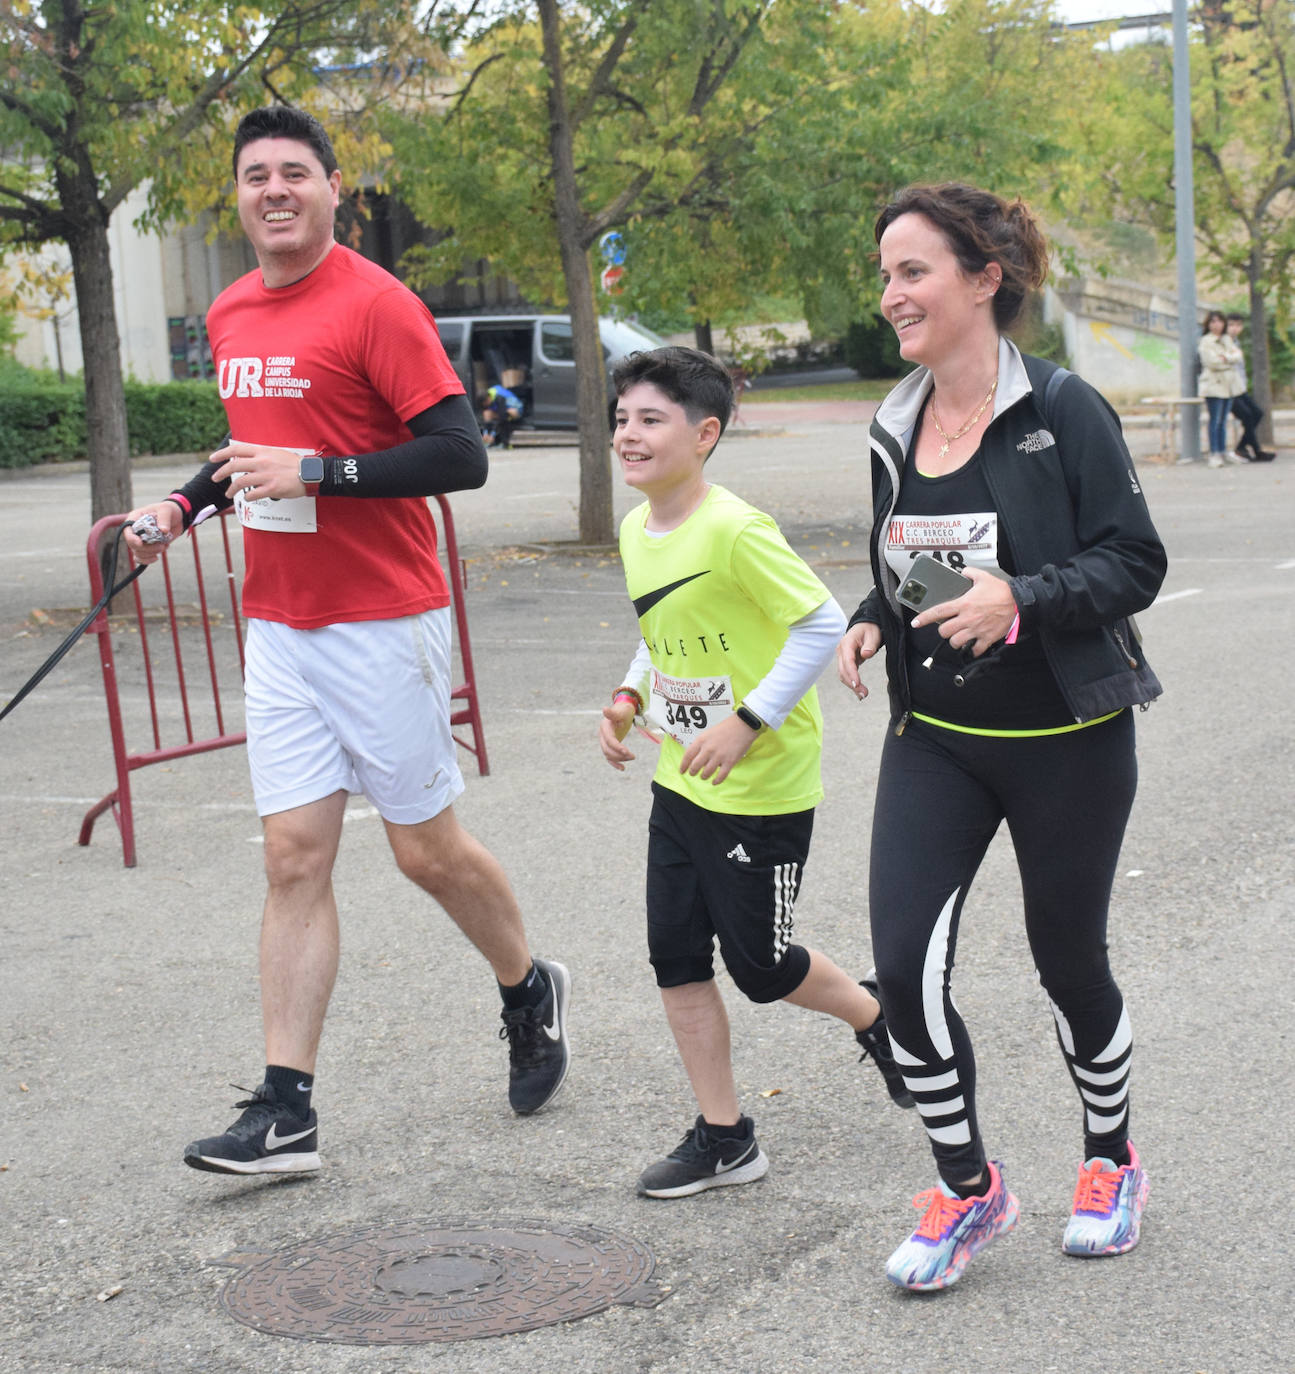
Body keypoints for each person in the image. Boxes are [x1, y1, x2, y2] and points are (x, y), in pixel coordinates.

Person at [123, 106, 571, 1176]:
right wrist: (180, 511)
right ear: (236, 196)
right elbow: (252, 456)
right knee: (292, 855)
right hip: (278, 624)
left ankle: (527, 985)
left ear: (332, 188)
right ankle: (287, 1110)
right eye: (253, 176)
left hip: (382, 619)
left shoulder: (378, 305)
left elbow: (461, 455)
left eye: (293, 173)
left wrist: (324, 475)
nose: (272, 190)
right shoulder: (231, 313)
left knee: (423, 852)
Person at [835, 183, 1166, 1291]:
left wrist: (1019, 597)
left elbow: (1132, 562)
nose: (890, 295)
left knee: (1067, 962)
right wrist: (874, 617)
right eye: (884, 274)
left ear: (983, 278)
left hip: (1064, 734)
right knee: (903, 972)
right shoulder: (890, 424)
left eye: (912, 271)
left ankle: (1110, 1162)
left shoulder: (1063, 410)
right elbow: (910, 563)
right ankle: (968, 1189)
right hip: (934, 737)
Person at [598, 345, 913, 1201]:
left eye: (649, 419)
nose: (628, 434)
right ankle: (726, 1136)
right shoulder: (638, 528)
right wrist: (630, 693)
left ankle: (880, 1018)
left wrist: (745, 722)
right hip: (682, 779)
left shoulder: (734, 527)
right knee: (675, 958)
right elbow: (664, 625)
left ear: (704, 434)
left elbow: (815, 625)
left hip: (760, 789)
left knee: (764, 970)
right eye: (622, 418)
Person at [1197, 310, 1247, 467]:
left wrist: (1226, 358)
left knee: (1224, 421)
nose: (1216, 324)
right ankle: (1214, 453)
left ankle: (1223, 451)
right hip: (1214, 386)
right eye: (1212, 321)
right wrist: (1228, 358)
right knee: (1215, 421)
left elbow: (1238, 355)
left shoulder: (1227, 339)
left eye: (1219, 321)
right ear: (1208, 324)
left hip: (1229, 385)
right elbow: (1211, 362)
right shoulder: (1206, 341)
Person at [1225, 314, 1275, 462]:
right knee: (1247, 416)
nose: (1235, 329)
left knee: (1257, 413)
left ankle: (1243, 448)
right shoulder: (1223, 343)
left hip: (1240, 387)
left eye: (1238, 325)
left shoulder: (1236, 342)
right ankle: (1255, 451)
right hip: (1228, 389)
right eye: (1231, 325)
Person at [480, 382, 523, 449]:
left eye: (485, 404)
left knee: (506, 416)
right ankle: (488, 439)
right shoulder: (489, 394)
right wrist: (485, 433)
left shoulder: (499, 397)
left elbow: (502, 417)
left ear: (487, 399)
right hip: (503, 410)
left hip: (516, 410)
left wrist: (492, 435)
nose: (485, 406)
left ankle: (505, 442)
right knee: (487, 413)